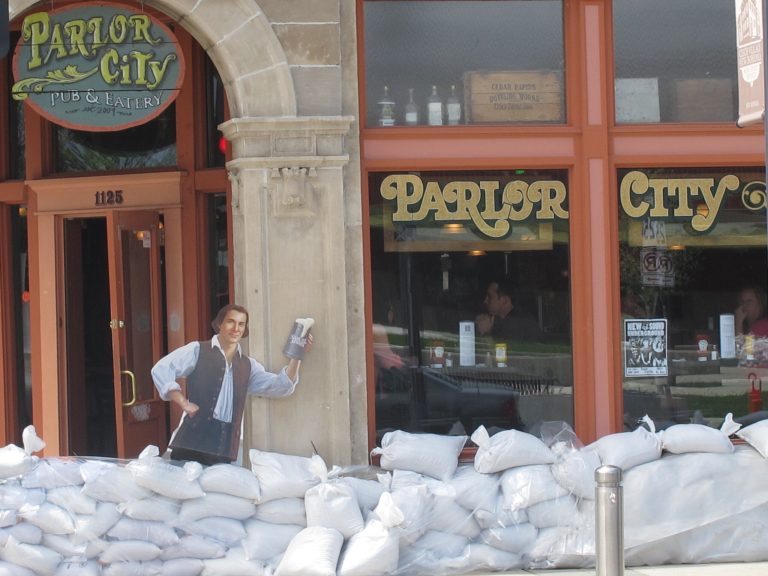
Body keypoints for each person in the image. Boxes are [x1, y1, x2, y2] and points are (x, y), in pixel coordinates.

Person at [151, 304, 313, 465]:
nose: (236, 328)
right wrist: (183, 402)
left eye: (241, 324)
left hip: (225, 446)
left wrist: (297, 354)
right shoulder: (198, 350)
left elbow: (281, 386)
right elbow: (162, 369)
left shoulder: (248, 365)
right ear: (219, 324)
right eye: (230, 322)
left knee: (219, 490)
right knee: (183, 488)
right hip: (192, 441)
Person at [476, 278, 542, 341]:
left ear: (505, 300)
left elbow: (505, 350)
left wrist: (488, 332)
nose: (485, 301)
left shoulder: (519, 322)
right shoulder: (499, 321)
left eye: (489, 297)